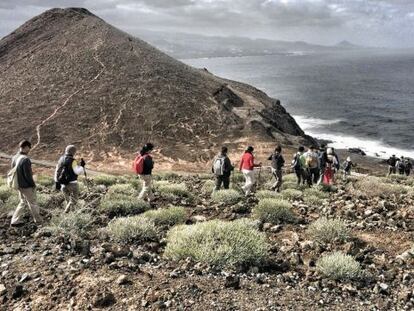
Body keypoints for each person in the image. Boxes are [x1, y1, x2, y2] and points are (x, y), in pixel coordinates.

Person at [10, 140, 43, 226]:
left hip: (18, 184)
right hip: (26, 186)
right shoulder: (25, 159)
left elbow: (13, 170)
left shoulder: (14, 157)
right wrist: (33, 185)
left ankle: (14, 220)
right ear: (26, 147)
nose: (29, 150)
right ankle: (38, 221)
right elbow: (28, 175)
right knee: (33, 203)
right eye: (29, 148)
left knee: (22, 202)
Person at [55, 145, 85, 213]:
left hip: (63, 185)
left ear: (66, 150)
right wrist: (82, 166)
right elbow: (77, 172)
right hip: (73, 184)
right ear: (74, 152)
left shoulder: (60, 160)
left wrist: (57, 183)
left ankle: (70, 214)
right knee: (74, 201)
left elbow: (56, 171)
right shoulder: (73, 161)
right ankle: (66, 212)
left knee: (68, 202)